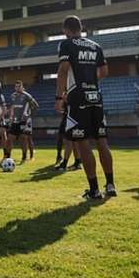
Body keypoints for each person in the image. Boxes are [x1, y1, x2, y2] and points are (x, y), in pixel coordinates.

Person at [55, 16, 116, 199]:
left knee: (82, 142)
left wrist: (60, 96)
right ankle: (111, 185)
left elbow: (63, 70)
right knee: (101, 141)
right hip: (96, 97)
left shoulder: (66, 44)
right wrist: (91, 81)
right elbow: (104, 71)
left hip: (77, 96)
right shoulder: (95, 46)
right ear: (80, 28)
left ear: (66, 29)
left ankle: (94, 189)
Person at [5, 81, 39, 162]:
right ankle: (8, 157)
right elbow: (12, 107)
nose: (17, 88)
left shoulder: (27, 96)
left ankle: (25, 157)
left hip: (24, 121)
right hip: (15, 121)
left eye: (19, 86)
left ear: (22, 87)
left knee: (23, 139)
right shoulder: (12, 96)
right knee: (9, 139)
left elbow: (36, 106)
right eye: (16, 86)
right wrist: (10, 117)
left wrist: (29, 116)